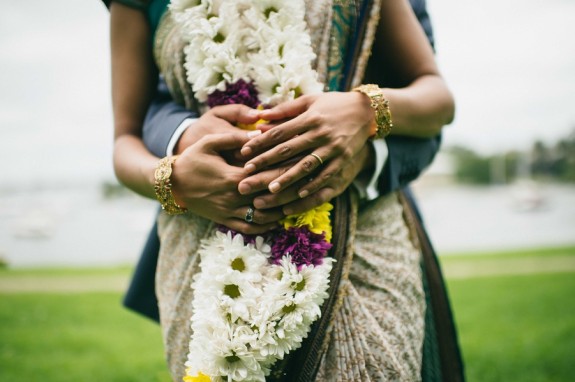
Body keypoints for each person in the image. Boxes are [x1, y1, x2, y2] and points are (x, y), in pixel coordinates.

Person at [105, 0, 463, 381]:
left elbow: (436, 98)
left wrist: (363, 111)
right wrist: (172, 179)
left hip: (361, 240)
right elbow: (127, 137)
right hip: (203, 245)